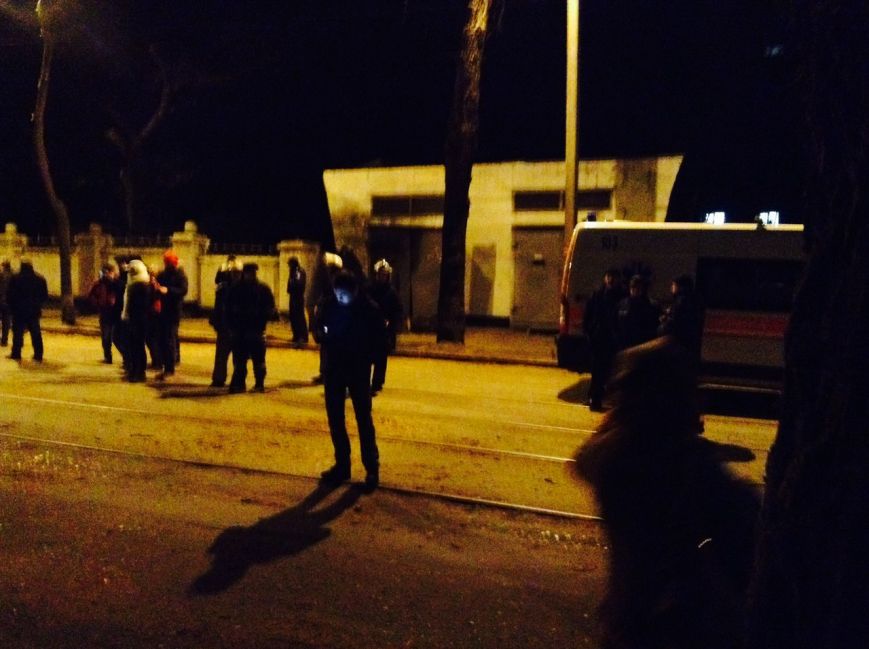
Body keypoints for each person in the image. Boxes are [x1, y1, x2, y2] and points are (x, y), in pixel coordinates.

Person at [573, 338, 760, 649]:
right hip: (676, 620)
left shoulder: (613, 454)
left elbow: (585, 460)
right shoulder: (682, 462)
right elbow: (743, 516)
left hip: (627, 616)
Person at [313, 270, 384, 490]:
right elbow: (318, 327)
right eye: (338, 293)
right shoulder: (329, 304)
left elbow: (380, 343)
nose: (341, 297)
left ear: (354, 290)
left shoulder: (368, 309)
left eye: (344, 294)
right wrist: (321, 334)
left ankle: (371, 468)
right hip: (334, 369)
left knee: (363, 418)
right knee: (336, 419)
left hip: (358, 370)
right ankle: (342, 465)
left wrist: (374, 371)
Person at [226, 262, 275, 393]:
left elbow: (270, 308)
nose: (250, 275)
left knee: (257, 360)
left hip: (254, 330)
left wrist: (262, 318)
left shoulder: (262, 289)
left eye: (252, 273)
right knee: (240, 360)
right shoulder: (237, 289)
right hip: (241, 330)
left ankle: (258, 384)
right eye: (249, 273)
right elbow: (228, 308)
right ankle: (241, 384)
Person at [582, 268, 625, 411]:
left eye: (613, 277)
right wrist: (589, 331)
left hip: (613, 339)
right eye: (608, 277)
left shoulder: (621, 296)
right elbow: (588, 314)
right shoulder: (598, 295)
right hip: (599, 338)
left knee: (610, 370)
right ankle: (595, 398)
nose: (610, 280)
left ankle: (605, 397)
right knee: (598, 370)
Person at [367, 258, 402, 396]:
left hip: (384, 331)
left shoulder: (391, 292)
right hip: (370, 329)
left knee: (381, 358)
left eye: (385, 275)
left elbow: (397, 310)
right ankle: (364, 382)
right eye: (381, 274)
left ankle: (377, 383)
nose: (383, 277)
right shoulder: (370, 289)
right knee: (366, 358)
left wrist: (392, 326)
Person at [308, 250, 343, 384]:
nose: (327, 271)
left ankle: (333, 375)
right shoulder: (328, 285)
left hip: (335, 323)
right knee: (325, 348)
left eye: (330, 268)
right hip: (327, 322)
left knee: (333, 349)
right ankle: (324, 373)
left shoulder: (339, 285)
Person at [154, 249, 188, 380]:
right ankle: (166, 366)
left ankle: (169, 368)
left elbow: (183, 290)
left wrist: (168, 290)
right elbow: (157, 288)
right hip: (162, 311)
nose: (167, 265)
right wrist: (156, 288)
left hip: (173, 312)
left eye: (169, 262)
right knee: (163, 339)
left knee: (169, 340)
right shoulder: (163, 274)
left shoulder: (180, 275)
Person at [658, 274, 705, 366]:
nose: (671, 287)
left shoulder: (681, 301)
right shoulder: (695, 300)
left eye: (674, 285)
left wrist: (664, 321)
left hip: (679, 342)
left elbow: (675, 322)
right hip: (691, 343)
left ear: (680, 287)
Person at [210, 256, 242, 388]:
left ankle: (224, 379)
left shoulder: (224, 288)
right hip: (231, 326)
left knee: (227, 355)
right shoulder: (239, 288)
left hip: (231, 327)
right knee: (233, 356)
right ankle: (232, 381)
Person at [6, 260, 48, 362]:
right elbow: (44, 296)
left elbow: (10, 294)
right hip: (33, 310)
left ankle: (16, 353)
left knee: (18, 333)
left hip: (19, 310)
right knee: (35, 333)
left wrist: (11, 307)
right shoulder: (39, 278)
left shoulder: (15, 278)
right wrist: (38, 304)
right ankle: (38, 354)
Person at [121, 260, 152, 382]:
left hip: (138, 320)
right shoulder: (138, 284)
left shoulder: (139, 286)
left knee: (137, 346)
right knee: (135, 346)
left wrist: (129, 316)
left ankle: (138, 372)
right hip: (137, 320)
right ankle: (135, 371)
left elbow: (137, 305)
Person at [616, 274, 659, 351]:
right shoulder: (623, 303)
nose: (634, 289)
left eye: (638, 287)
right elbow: (616, 322)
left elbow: (654, 325)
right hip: (625, 344)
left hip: (644, 344)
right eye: (632, 287)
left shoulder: (651, 305)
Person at [88, 263, 120, 363]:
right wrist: (98, 304)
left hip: (115, 313)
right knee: (106, 337)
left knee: (116, 337)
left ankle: (126, 357)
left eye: (109, 272)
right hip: (105, 313)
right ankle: (108, 356)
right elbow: (92, 296)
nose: (107, 275)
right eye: (105, 272)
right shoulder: (98, 284)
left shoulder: (117, 283)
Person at [286, 256, 309, 345]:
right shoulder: (292, 272)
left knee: (299, 316)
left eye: (290, 264)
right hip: (293, 296)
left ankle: (302, 336)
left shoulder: (299, 271)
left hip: (298, 297)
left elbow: (299, 283)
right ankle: (296, 335)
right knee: (293, 316)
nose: (289, 266)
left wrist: (293, 286)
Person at [0, 260, 12, 347]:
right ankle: (4, 340)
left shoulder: (1, 275)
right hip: (9, 302)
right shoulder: (14, 276)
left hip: (1, 301)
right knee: (6, 322)